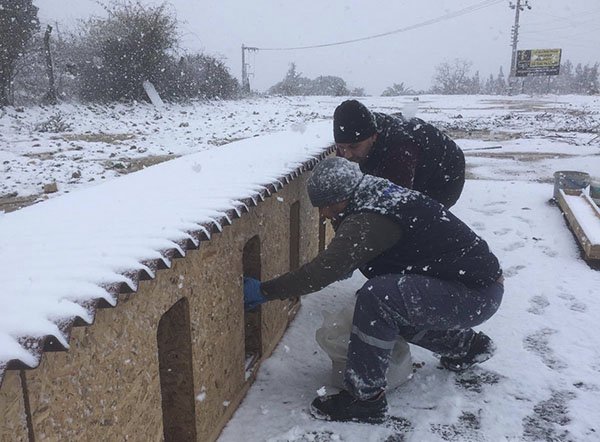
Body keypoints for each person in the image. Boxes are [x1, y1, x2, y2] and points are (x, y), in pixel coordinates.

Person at [243, 157, 503, 423]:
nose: (323, 214)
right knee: (396, 307)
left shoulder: (369, 218)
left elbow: (320, 272)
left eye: (327, 206)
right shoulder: (372, 192)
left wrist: (265, 291)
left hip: (474, 294)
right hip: (477, 287)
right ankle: (467, 347)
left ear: (344, 196)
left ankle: (365, 399)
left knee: (378, 299)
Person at [333, 99, 465, 208]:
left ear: (374, 136)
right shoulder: (352, 138)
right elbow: (340, 185)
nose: (347, 155)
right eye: (341, 147)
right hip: (411, 157)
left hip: (445, 174)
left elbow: (394, 204)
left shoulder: (400, 152)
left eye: (354, 146)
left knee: (412, 219)